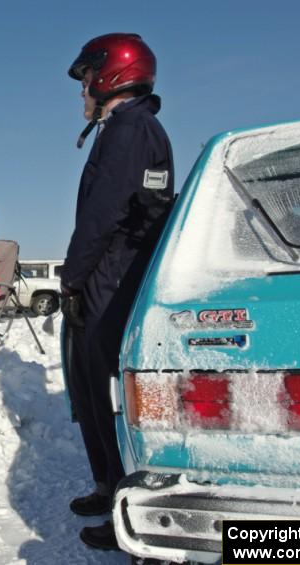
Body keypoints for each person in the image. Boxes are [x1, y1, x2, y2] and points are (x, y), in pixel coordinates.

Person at [60, 34, 175, 551]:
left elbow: (103, 215)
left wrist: (72, 277)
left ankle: (124, 505)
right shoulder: (130, 127)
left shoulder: (131, 129)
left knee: (106, 393)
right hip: (110, 270)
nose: (82, 88)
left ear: (108, 75)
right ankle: (108, 486)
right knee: (87, 383)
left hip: (113, 272)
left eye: (87, 76)